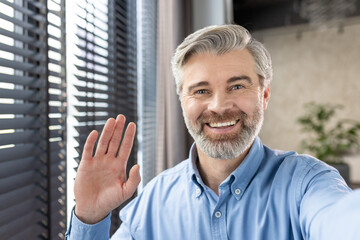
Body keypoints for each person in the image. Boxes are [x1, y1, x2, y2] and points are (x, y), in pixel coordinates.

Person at [65, 24, 360, 240]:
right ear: (182, 102)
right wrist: (89, 217)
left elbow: (340, 221)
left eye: (237, 86)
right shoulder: (153, 201)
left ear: (265, 94)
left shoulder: (307, 183)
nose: (219, 106)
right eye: (201, 91)